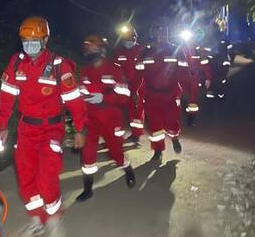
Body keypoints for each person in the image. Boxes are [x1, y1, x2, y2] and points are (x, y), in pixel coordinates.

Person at [0, 16, 86, 237]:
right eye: (25, 39)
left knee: (46, 179)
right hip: (26, 129)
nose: (29, 43)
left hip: (51, 129)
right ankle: (36, 220)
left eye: (34, 39)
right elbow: (6, 96)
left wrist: (80, 128)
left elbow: (74, 100)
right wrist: (3, 125)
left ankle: (54, 221)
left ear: (45, 39)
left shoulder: (58, 66)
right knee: (26, 179)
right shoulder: (16, 64)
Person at [77, 35, 136, 202]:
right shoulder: (85, 71)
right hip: (91, 119)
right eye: (87, 49)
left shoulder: (114, 70)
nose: (89, 51)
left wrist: (105, 98)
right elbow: (80, 94)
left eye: (93, 48)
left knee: (116, 152)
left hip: (111, 119)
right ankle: (87, 189)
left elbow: (125, 95)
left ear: (102, 50)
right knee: (87, 154)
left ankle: (127, 169)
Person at [129, 21, 197, 164]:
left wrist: (189, 94)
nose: (160, 34)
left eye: (163, 31)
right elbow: (138, 74)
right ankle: (158, 151)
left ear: (167, 33)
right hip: (152, 95)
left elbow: (184, 74)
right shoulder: (146, 52)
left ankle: (174, 137)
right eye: (157, 31)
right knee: (155, 125)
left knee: (171, 122)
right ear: (152, 33)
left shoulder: (177, 51)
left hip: (171, 94)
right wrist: (134, 91)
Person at [113, 25, 146, 143]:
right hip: (123, 86)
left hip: (138, 85)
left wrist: (136, 90)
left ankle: (136, 135)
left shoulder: (141, 50)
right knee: (119, 111)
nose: (128, 41)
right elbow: (115, 67)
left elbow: (142, 70)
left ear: (135, 38)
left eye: (130, 38)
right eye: (125, 39)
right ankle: (116, 135)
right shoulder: (119, 50)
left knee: (136, 110)